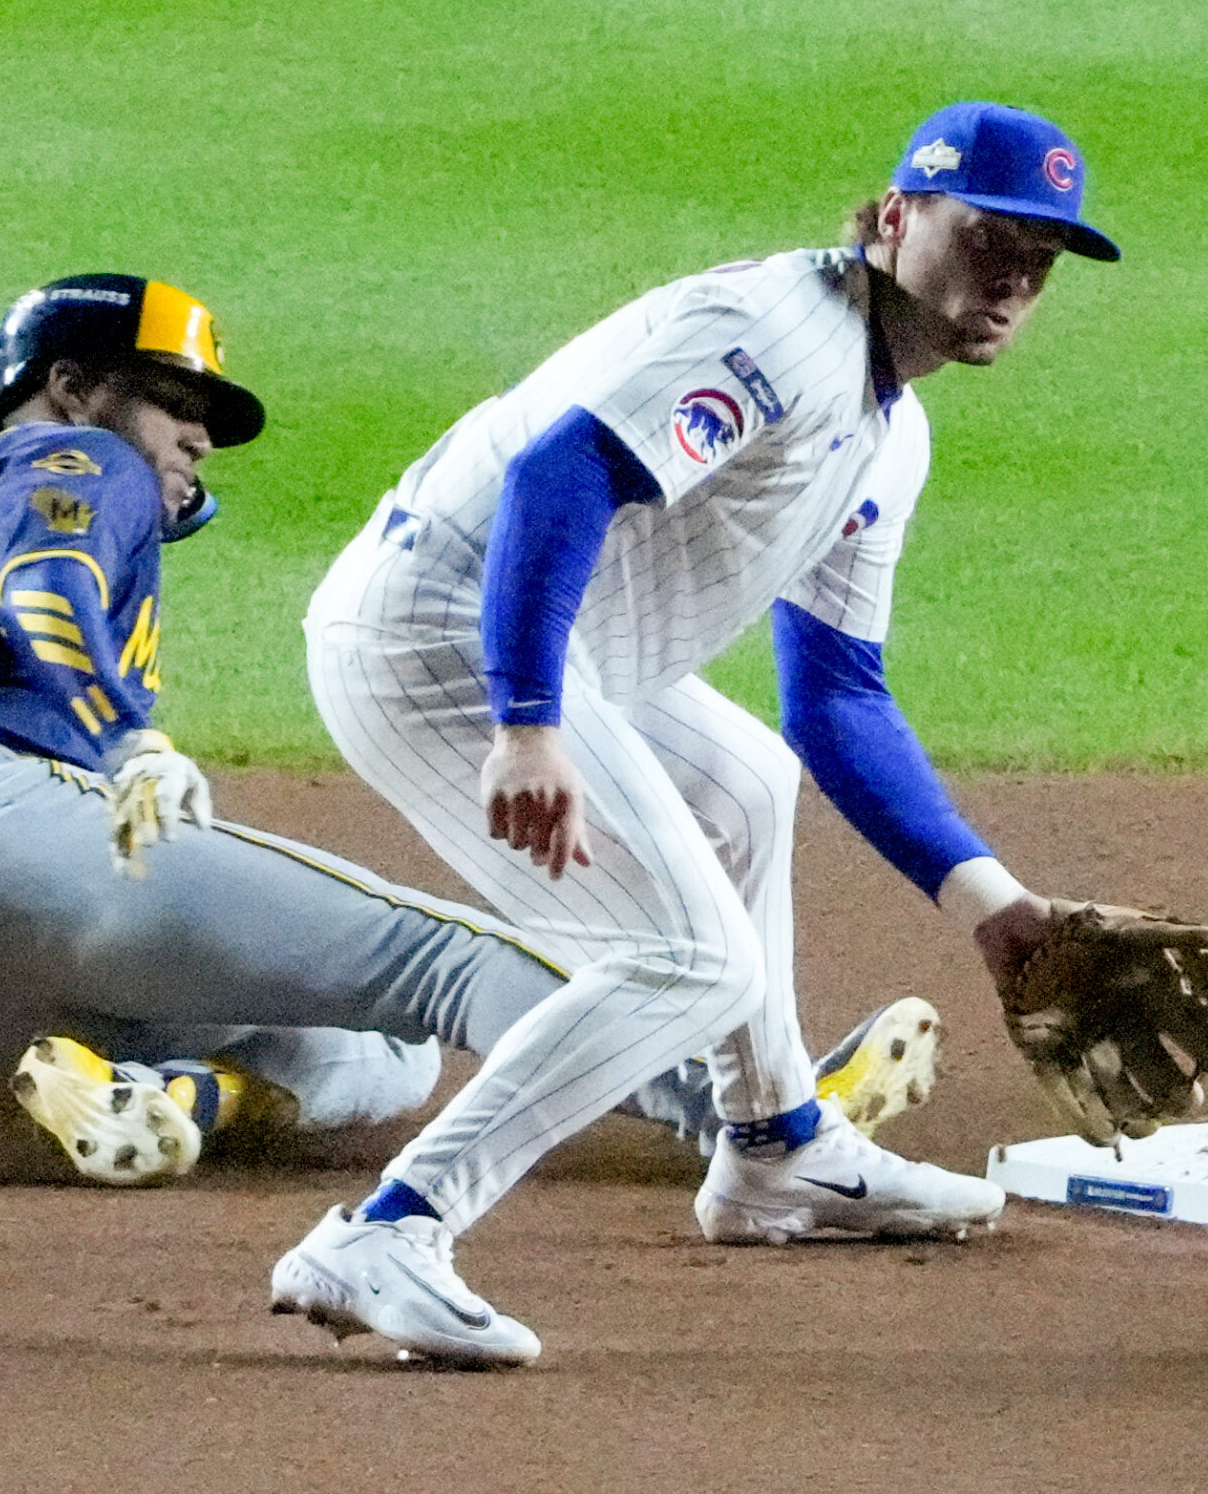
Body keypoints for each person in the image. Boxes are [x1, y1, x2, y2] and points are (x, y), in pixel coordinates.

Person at [0, 273, 943, 1188]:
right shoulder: (71, 459)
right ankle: (756, 1108)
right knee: (442, 958)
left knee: (387, 1055)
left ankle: (167, 1098)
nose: (197, 432)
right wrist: (121, 738)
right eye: (173, 400)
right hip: (8, 830)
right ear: (68, 385)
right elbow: (46, 588)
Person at [286, 102, 1128, 1366]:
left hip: (550, 643)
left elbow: (837, 693)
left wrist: (992, 904)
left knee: (747, 785)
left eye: (1041, 258)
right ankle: (388, 1230)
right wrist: (526, 722)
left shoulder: (890, 427)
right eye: (987, 236)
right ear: (896, 220)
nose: (1012, 277)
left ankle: (778, 1147)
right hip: (443, 631)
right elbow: (557, 474)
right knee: (690, 959)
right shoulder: (775, 336)